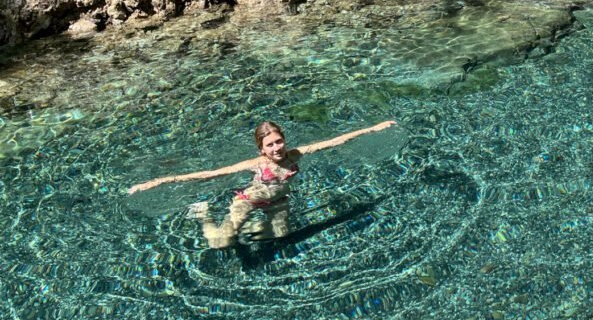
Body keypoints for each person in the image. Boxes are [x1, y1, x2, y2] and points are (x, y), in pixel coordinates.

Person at [129, 119, 397, 248]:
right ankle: (203, 214)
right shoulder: (254, 165)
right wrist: (157, 182)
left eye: (279, 141)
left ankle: (255, 227)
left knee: (282, 237)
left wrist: (374, 128)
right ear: (261, 149)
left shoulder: (296, 155)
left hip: (278, 203)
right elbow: (207, 174)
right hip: (248, 201)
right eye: (270, 145)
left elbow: (336, 140)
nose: (277, 148)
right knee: (220, 243)